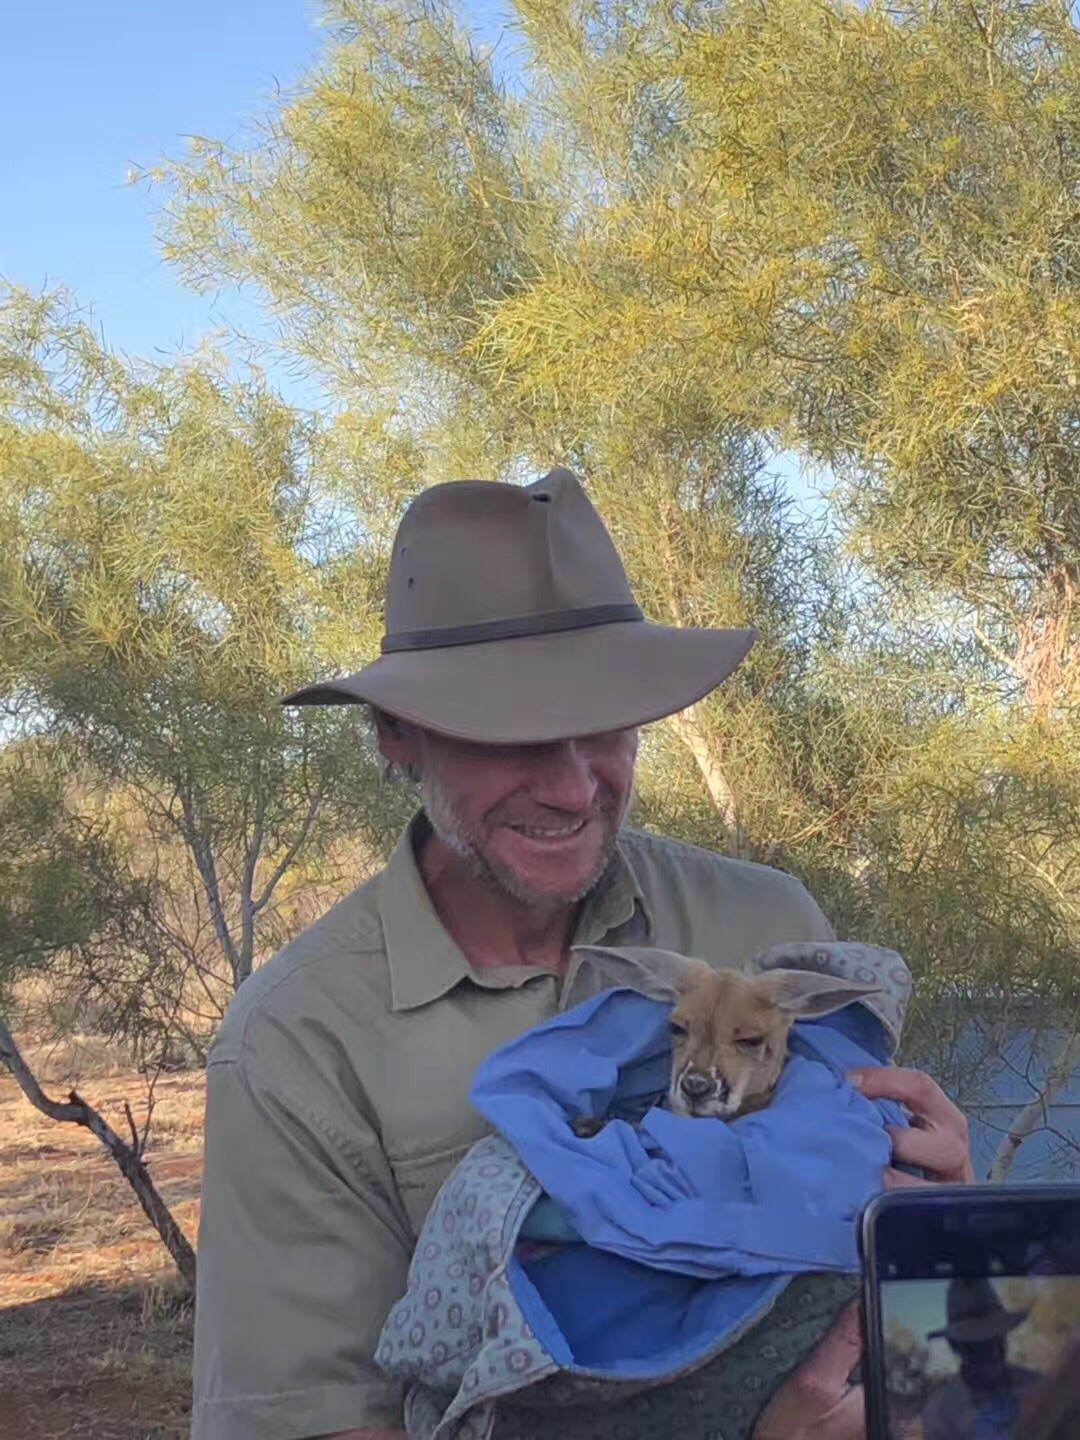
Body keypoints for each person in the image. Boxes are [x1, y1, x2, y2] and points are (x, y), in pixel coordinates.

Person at [191, 468, 973, 1440]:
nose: (571, 788)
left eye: (604, 724)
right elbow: (317, 1418)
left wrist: (927, 1216)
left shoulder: (762, 925)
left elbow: (918, 1329)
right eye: (511, 732)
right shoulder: (300, 1041)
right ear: (397, 735)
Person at [921, 1278, 1041, 1440]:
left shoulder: (1038, 1386)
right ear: (956, 1346)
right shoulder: (940, 1412)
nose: (993, 1351)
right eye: (979, 1344)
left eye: (996, 1338)